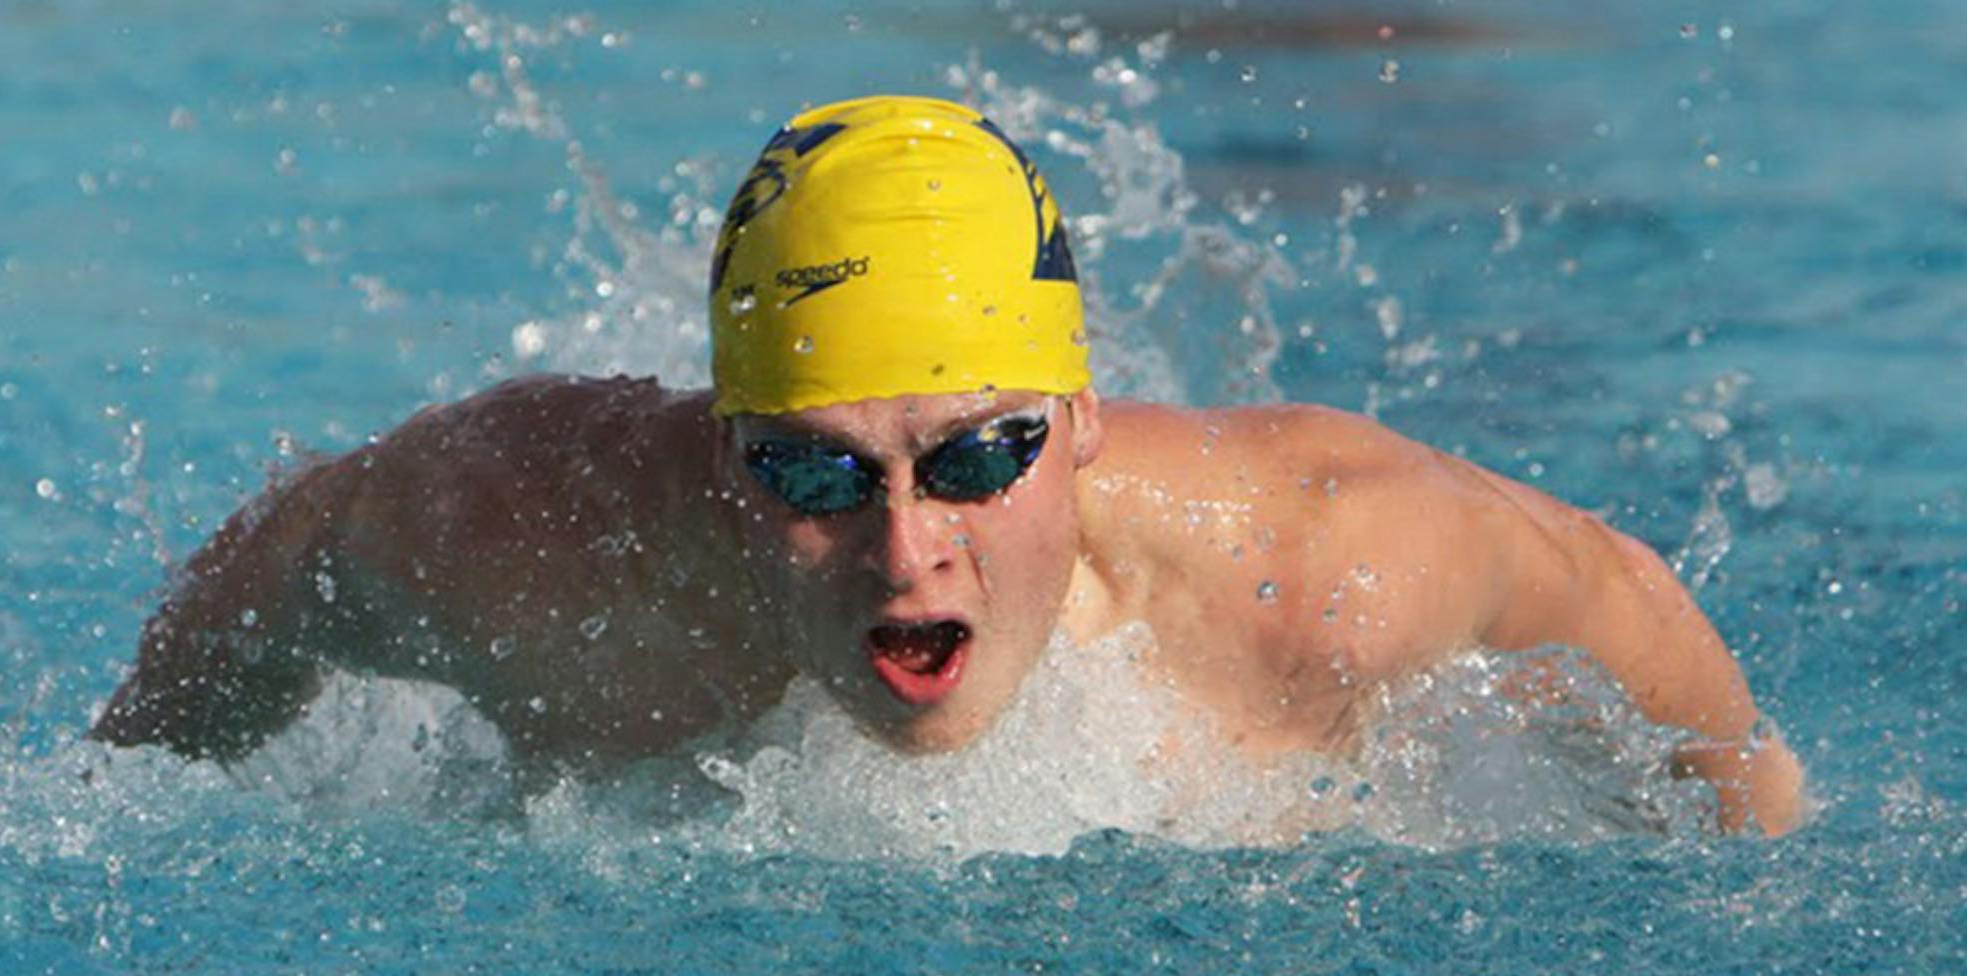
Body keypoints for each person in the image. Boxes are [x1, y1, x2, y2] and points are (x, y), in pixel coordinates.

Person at [88, 95, 1804, 835]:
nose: (911, 554)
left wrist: (1757, 846)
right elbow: (281, 556)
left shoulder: (1316, 573)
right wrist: (132, 786)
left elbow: (1619, 596)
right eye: (822, 476)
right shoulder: (540, 548)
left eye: (979, 455)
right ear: (725, 453)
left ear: (1086, 419)